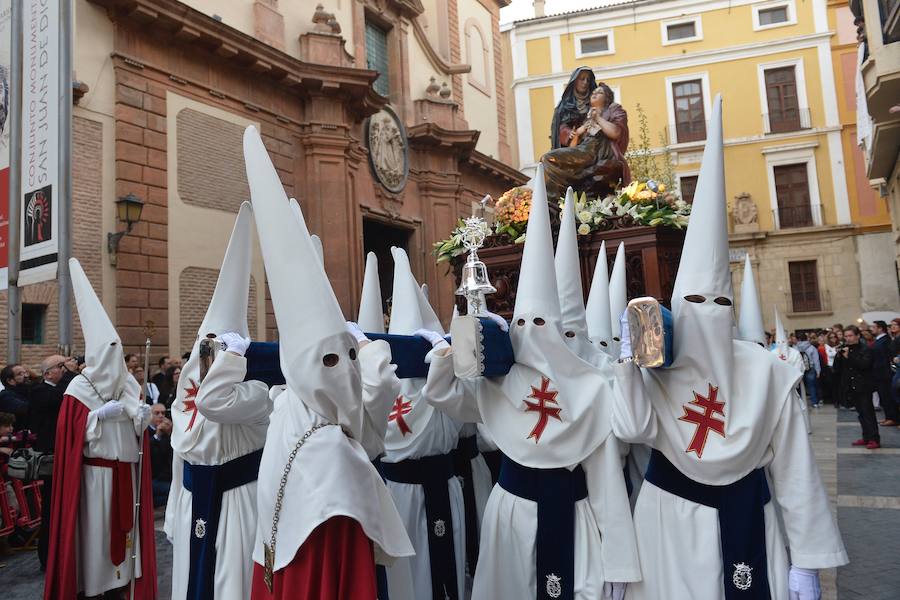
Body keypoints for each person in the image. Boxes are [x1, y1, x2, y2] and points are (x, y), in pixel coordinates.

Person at [611, 96, 846, 600]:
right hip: (667, 523)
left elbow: (795, 471)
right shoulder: (659, 369)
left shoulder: (767, 373)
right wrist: (630, 364)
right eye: (694, 302)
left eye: (718, 302)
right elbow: (630, 429)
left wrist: (807, 560)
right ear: (677, 306)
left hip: (749, 517)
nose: (708, 312)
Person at [422, 164, 640, 600]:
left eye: (540, 322)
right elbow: (445, 397)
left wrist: (619, 562)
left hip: (574, 514)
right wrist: (451, 352)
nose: (531, 330)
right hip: (511, 516)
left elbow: (606, 485)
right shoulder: (499, 383)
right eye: (521, 321)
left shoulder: (591, 389)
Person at [244, 126, 413, 599]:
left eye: (349, 357)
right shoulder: (332, 447)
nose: (343, 372)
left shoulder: (287, 411)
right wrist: (377, 360)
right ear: (299, 367)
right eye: (331, 360)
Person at [164, 202, 274, 600]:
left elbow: (215, 402)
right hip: (197, 498)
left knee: (231, 582)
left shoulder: (259, 393)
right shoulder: (185, 394)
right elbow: (182, 453)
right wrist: (176, 507)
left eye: (217, 349)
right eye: (203, 349)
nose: (205, 359)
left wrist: (233, 358)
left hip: (237, 503)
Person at [43, 258, 157, 600]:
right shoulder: (77, 389)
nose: (114, 357)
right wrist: (97, 418)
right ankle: (93, 586)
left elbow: (140, 427)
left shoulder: (129, 386)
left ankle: (123, 583)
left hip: (127, 474)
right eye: (109, 350)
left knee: (127, 536)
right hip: (95, 478)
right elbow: (69, 434)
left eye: (117, 350)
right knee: (95, 536)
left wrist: (143, 416)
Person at [376, 247, 468, 600]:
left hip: (443, 486)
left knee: (446, 569)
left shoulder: (444, 383)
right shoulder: (384, 388)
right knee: (407, 576)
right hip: (400, 493)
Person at [542, 83, 630, 199]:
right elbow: (574, 146)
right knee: (548, 160)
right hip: (583, 151)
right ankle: (553, 201)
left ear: (607, 98)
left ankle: (553, 199)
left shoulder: (614, 110)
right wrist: (576, 134)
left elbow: (616, 133)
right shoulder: (585, 118)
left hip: (596, 152)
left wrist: (598, 118)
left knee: (549, 158)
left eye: (599, 92)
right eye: (593, 92)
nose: (594, 94)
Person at [28, 354, 71, 570]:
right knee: (51, 510)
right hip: (50, 460)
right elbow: (58, 399)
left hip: (64, 455)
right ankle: (47, 558)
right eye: (60, 366)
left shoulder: (57, 387)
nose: (64, 370)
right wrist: (70, 373)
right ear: (47, 373)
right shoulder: (39, 390)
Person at [836, 326, 878, 448]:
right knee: (860, 413)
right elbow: (838, 369)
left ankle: (874, 439)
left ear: (857, 336)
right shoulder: (846, 349)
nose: (848, 338)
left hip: (863, 386)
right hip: (851, 386)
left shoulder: (865, 349)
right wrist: (839, 356)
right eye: (846, 336)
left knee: (868, 413)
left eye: (850, 335)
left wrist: (849, 357)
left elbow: (864, 365)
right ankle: (866, 437)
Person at [550, 66, 597, 150]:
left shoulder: (594, 101)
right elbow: (558, 126)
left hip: (591, 142)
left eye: (588, 80)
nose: (585, 82)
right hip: (572, 145)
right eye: (582, 79)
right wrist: (568, 133)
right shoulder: (564, 104)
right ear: (575, 81)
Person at [871, 320, 899, 426]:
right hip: (878, 373)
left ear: (880, 328)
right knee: (884, 396)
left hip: (884, 373)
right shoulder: (879, 340)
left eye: (874, 327)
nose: (872, 329)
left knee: (888, 396)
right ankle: (888, 416)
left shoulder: (885, 340)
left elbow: (885, 357)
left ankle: (893, 417)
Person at [148, 403, 172, 508]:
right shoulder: (145, 431)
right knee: (172, 491)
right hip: (151, 479)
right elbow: (148, 452)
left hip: (165, 477)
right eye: (157, 413)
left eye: (163, 413)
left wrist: (172, 433)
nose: (161, 416)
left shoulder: (167, 432)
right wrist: (157, 435)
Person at [795, 331, 821, 408]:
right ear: (806, 338)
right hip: (811, 368)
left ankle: (800, 402)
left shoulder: (795, 348)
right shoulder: (811, 347)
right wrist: (818, 371)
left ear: (797, 339)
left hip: (799, 369)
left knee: (799, 386)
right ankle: (814, 402)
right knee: (812, 386)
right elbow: (816, 360)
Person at [0, 364, 30, 430]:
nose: (26, 376)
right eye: (20, 374)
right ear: (10, 381)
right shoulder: (5, 396)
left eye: (25, 373)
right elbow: (26, 408)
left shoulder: (27, 392)